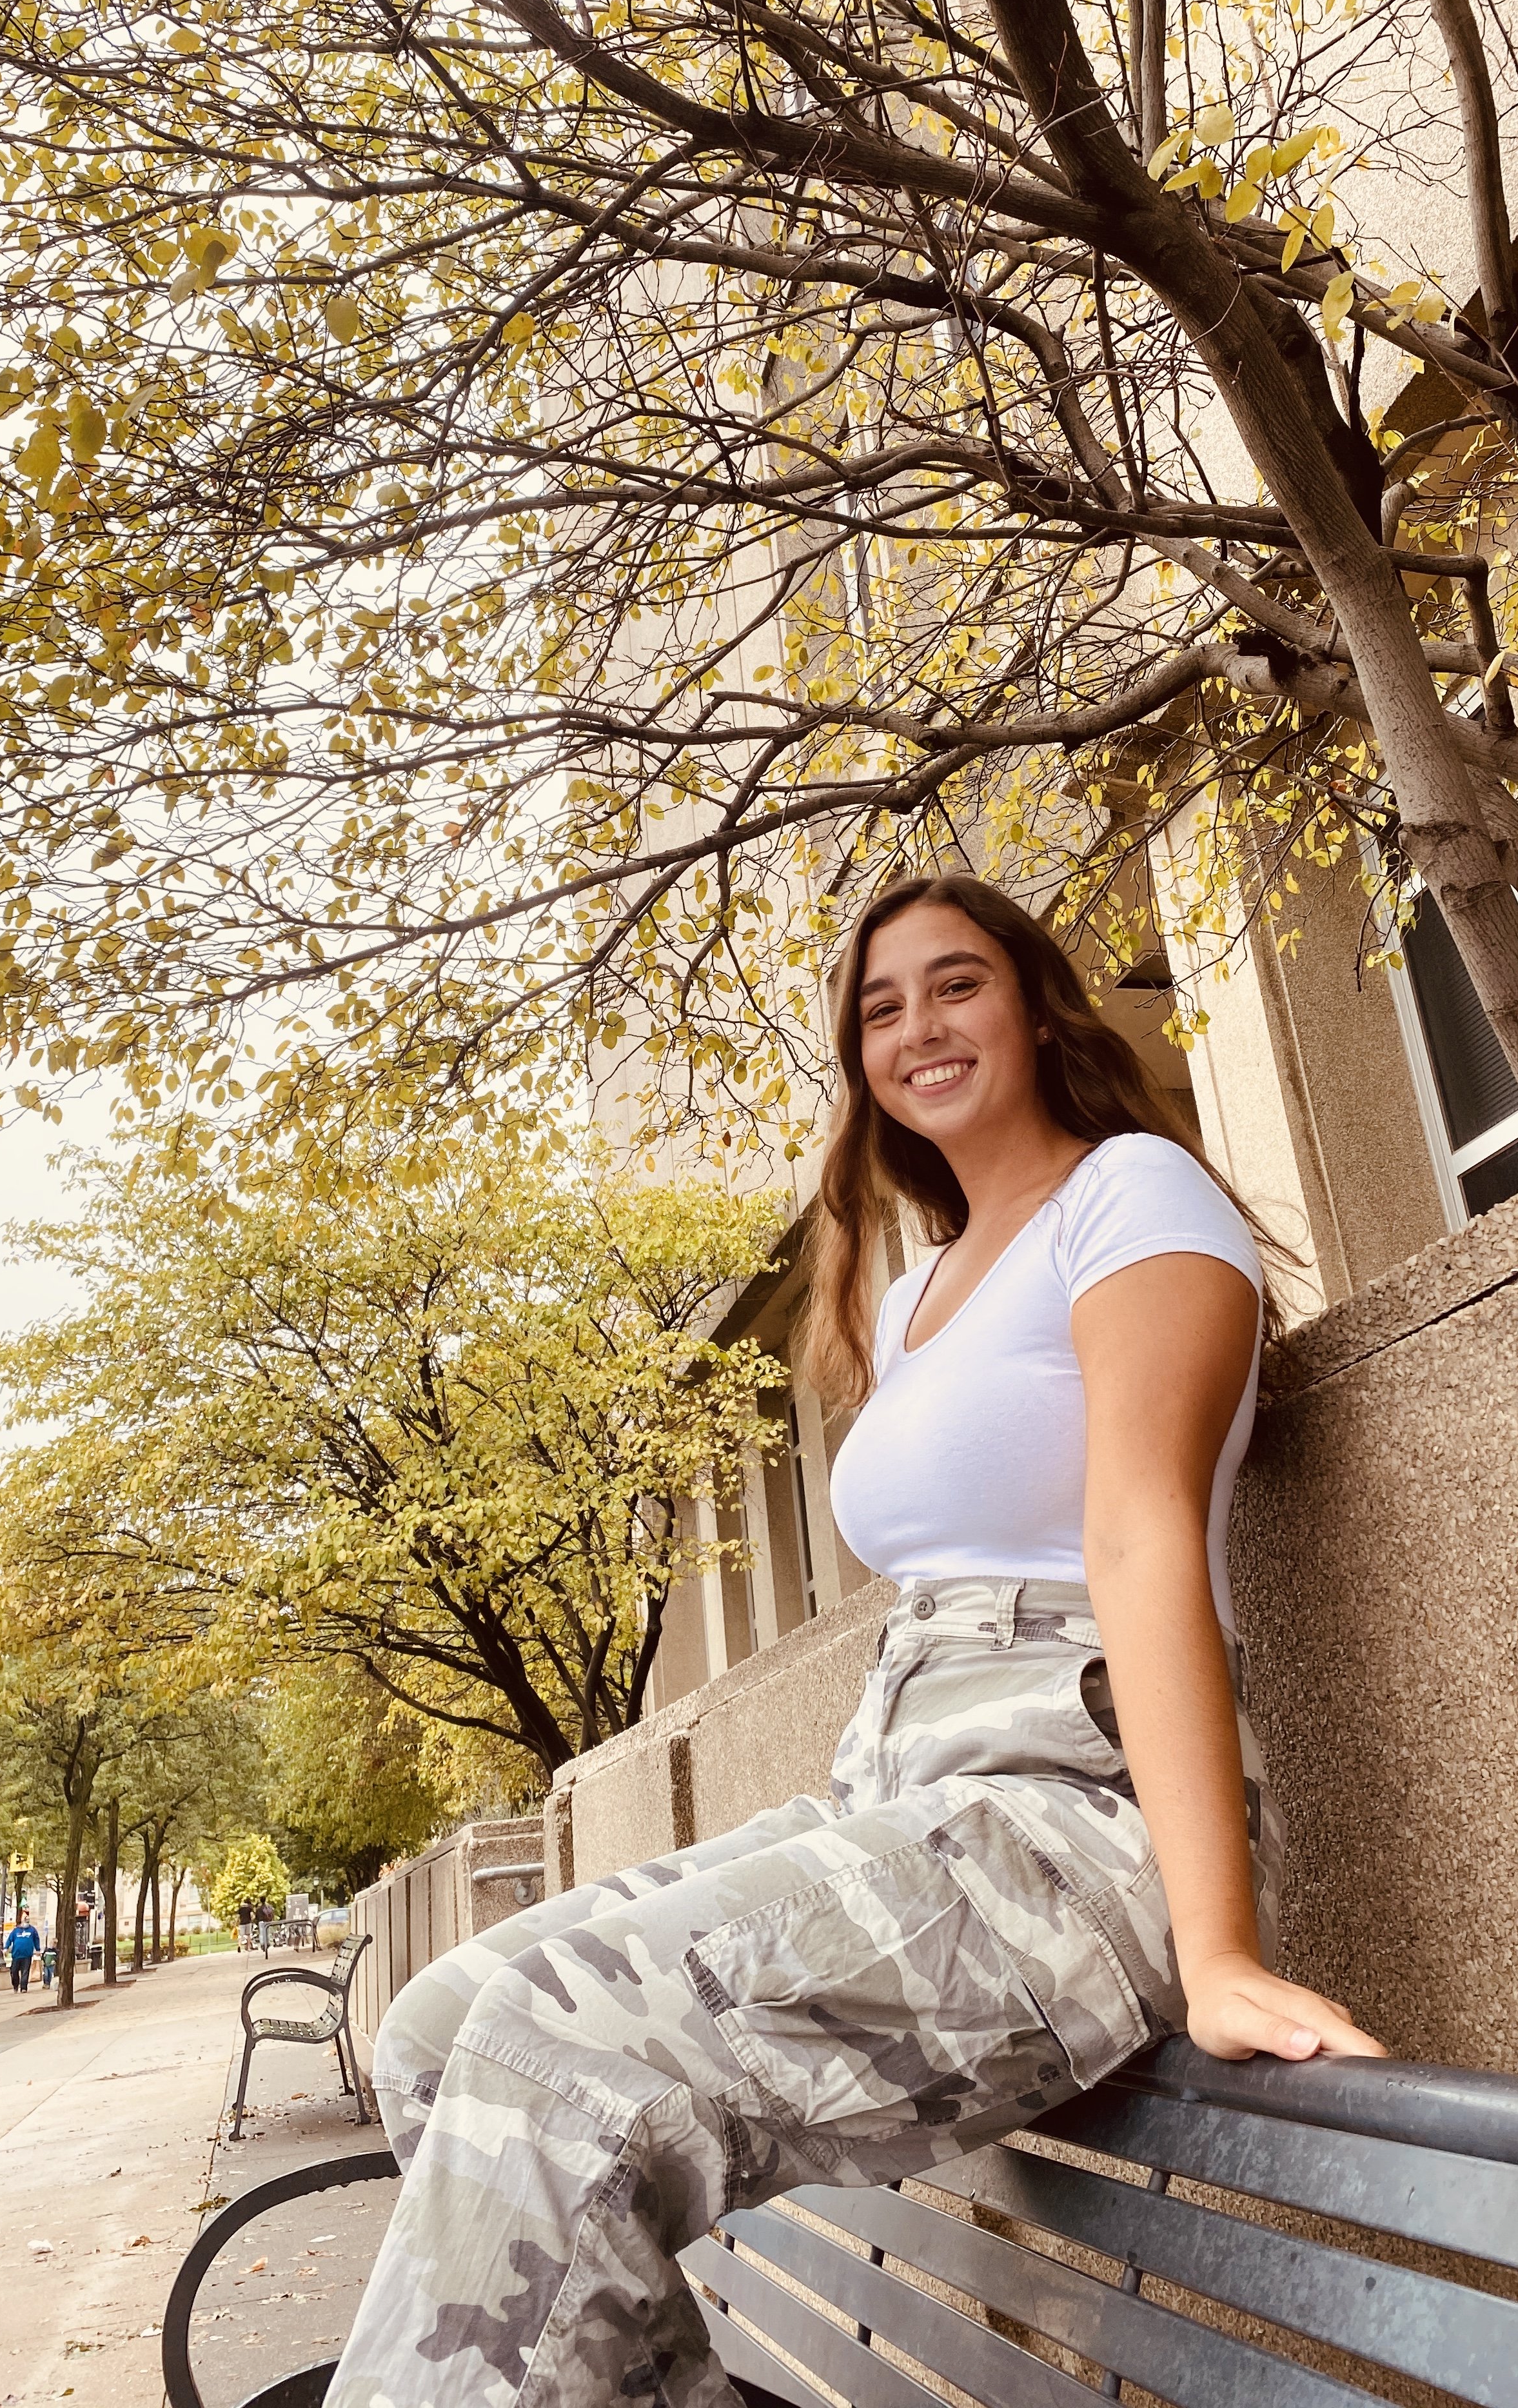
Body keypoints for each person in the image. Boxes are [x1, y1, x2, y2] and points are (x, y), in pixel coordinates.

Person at [326, 873, 1384, 2408]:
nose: (919, 1027)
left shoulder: (1132, 1196)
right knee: (434, 2035)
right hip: (898, 1795)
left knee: (548, 2056)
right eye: (879, 1009)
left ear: (1033, 1004)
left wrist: (1214, 1949)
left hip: (1065, 1818)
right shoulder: (910, 1297)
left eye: (955, 985)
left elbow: (1141, 1532)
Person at [5, 1914, 40, 1995]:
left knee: (25, 1972)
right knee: (14, 1972)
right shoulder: (16, 1931)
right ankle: (16, 1985)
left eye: (27, 1921)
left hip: (27, 1955)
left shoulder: (32, 1930)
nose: (26, 1923)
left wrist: (38, 1950)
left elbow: (36, 1940)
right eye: (25, 1921)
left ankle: (24, 1987)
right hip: (16, 1955)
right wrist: (6, 1948)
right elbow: (10, 1939)